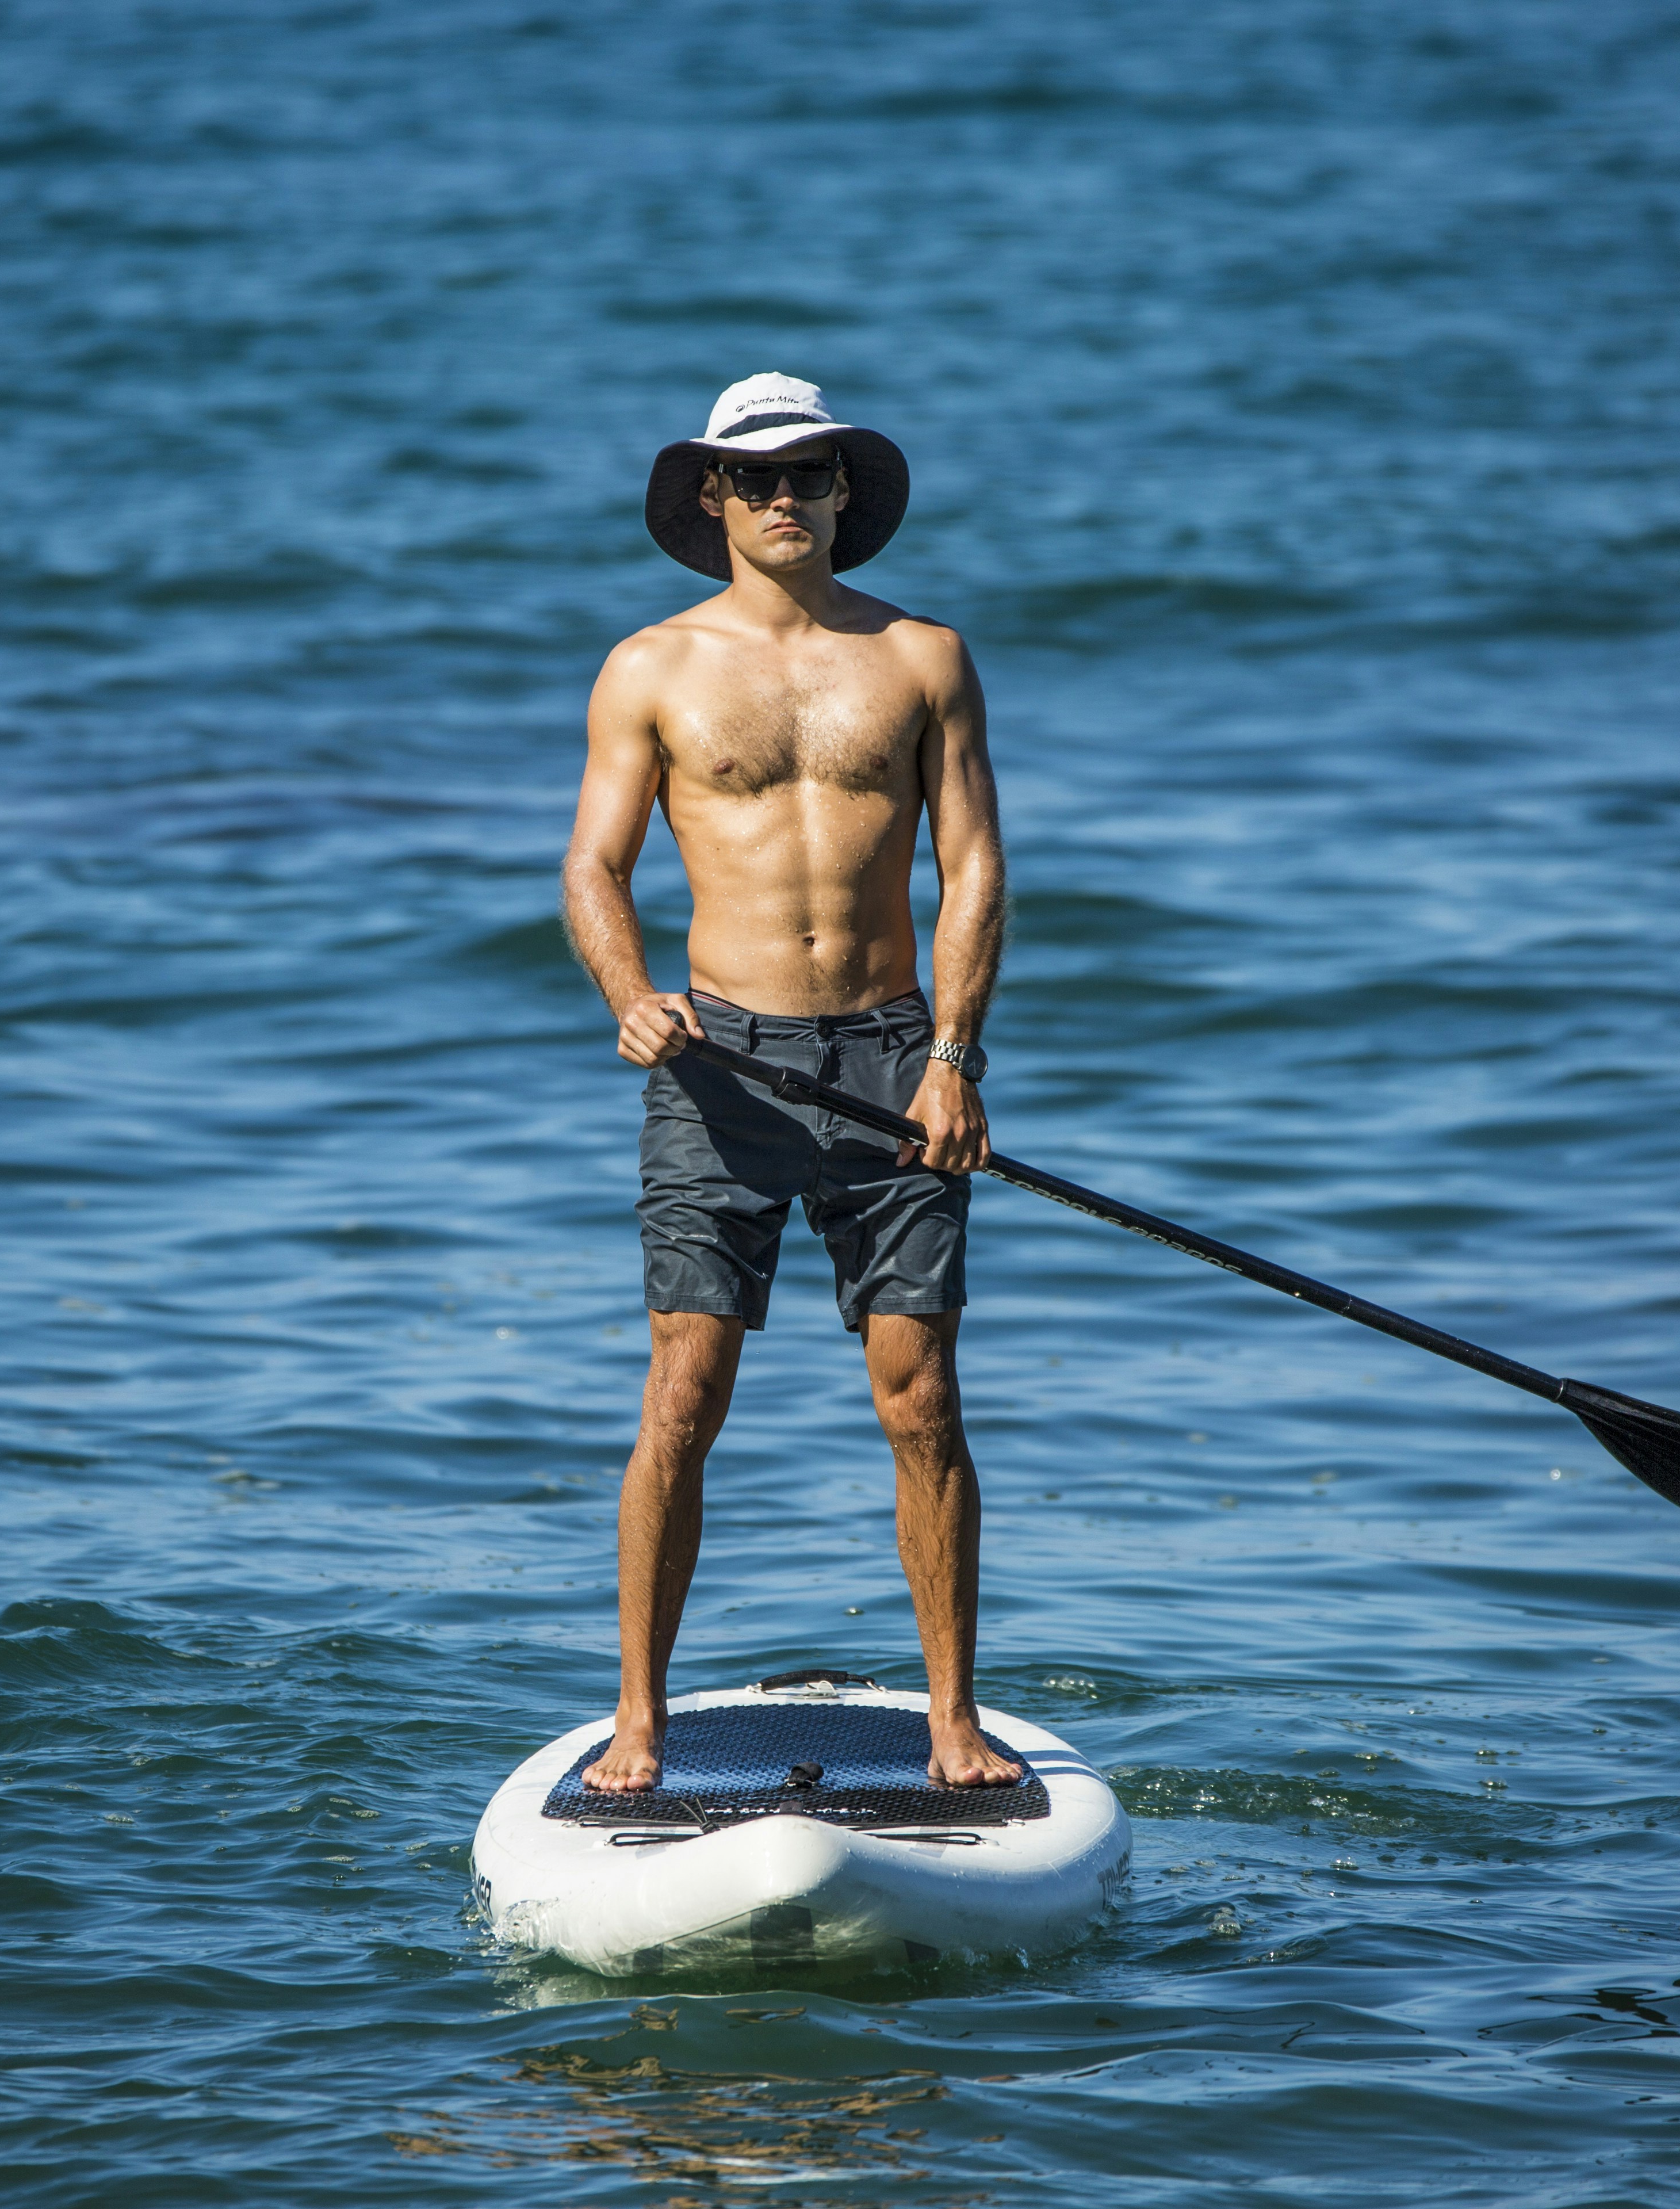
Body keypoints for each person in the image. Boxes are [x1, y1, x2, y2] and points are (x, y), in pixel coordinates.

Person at [560, 373, 1021, 1795]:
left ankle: (953, 1719)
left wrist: (954, 1053)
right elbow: (594, 867)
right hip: (722, 1067)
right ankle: (639, 1718)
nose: (781, 496)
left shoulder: (925, 658)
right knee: (684, 1392)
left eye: (809, 474)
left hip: (893, 1062)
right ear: (712, 498)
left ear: (843, 496)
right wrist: (633, 1000)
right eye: (752, 476)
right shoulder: (651, 668)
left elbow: (976, 867)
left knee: (922, 1396)